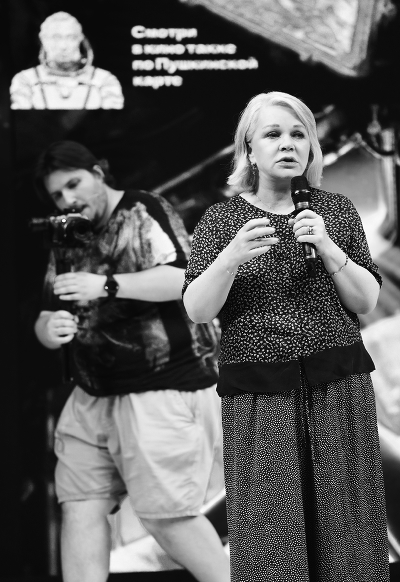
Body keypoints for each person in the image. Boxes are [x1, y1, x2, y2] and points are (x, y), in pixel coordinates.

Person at [183, 91, 389, 582]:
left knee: (348, 530)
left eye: (299, 134)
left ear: (312, 148)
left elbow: (366, 300)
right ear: (249, 150)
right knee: (271, 536)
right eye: (273, 134)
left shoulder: (334, 211)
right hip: (260, 395)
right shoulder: (221, 221)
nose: (288, 144)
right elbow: (197, 309)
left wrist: (328, 246)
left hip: (337, 386)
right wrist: (230, 258)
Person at [33, 141, 230, 582]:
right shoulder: (68, 236)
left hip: (160, 386)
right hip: (91, 394)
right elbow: (45, 314)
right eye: (58, 195)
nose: (67, 200)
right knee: (80, 507)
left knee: (166, 517)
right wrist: (49, 329)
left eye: (74, 184)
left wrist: (106, 285)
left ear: (98, 173)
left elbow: (186, 280)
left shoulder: (143, 209)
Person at [10, 12, 124, 110]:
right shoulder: (25, 80)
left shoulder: (104, 80)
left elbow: (113, 120)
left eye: (71, 38)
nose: (63, 46)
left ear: (80, 39)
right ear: (43, 39)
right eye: (56, 37)